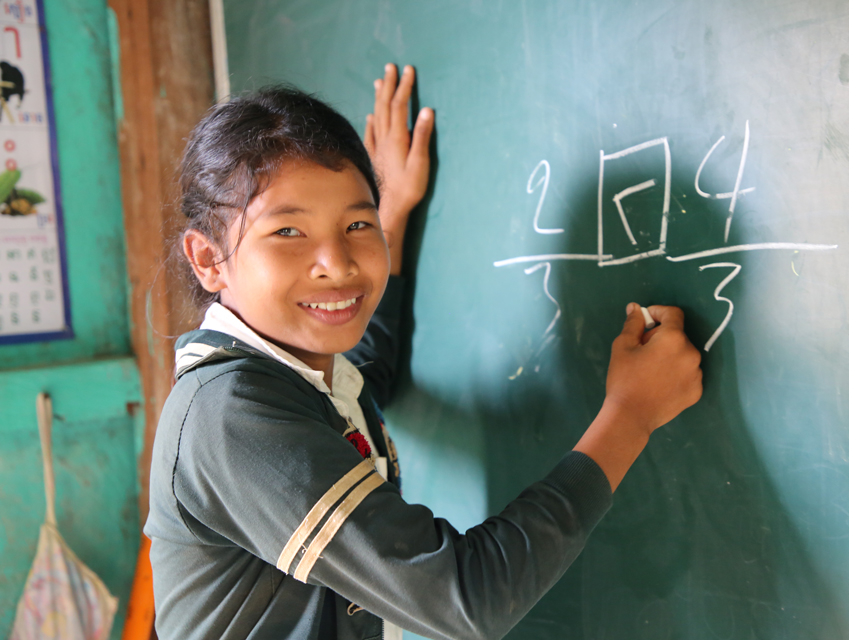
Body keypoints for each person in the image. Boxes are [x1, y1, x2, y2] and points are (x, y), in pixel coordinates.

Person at [144, 64, 703, 640]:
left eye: (355, 223)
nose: (337, 262)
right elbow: (468, 598)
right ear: (209, 260)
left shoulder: (298, 377)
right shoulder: (228, 415)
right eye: (289, 232)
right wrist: (631, 415)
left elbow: (369, 371)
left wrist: (393, 211)